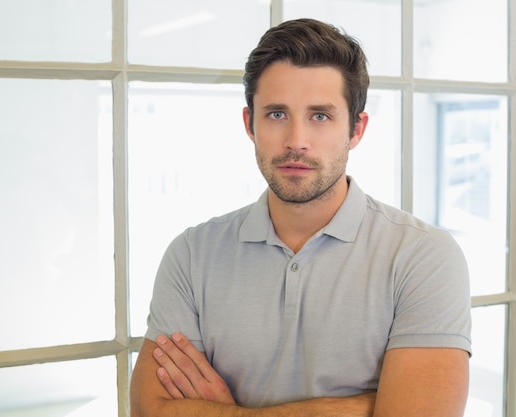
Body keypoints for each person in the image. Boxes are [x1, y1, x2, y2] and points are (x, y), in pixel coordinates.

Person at [130, 18, 472, 417]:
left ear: (356, 129)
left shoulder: (423, 256)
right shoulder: (191, 254)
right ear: (249, 124)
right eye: (276, 114)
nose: (296, 140)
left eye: (320, 116)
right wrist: (362, 408)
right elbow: (151, 411)